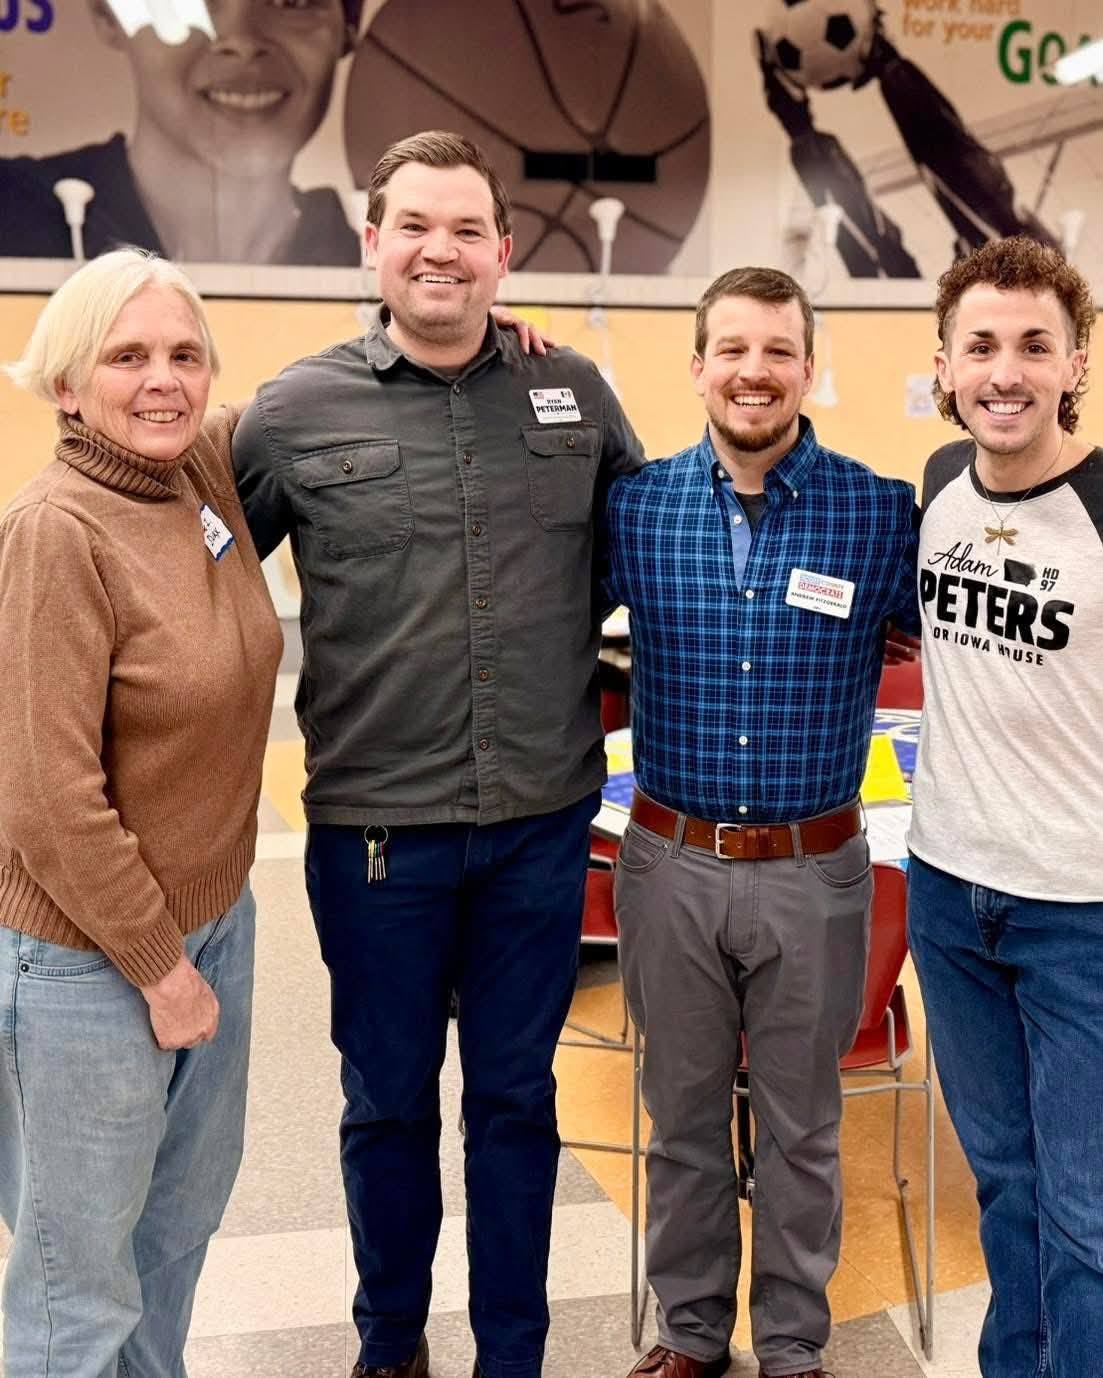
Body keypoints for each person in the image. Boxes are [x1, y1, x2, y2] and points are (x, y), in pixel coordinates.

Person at [231, 129, 644, 1378]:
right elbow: (190, 581)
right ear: (371, 243)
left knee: (515, 1102)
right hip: (375, 838)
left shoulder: (574, 395)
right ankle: (389, 1344)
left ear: (502, 253)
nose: (439, 250)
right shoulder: (290, 412)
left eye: (466, 229)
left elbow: (651, 551)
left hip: (538, 826)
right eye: (413, 225)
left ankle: (512, 1355)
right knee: (388, 1104)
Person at [606, 267, 919, 1378]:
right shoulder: (635, 509)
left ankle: (791, 1344)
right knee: (682, 1118)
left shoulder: (879, 514)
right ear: (696, 367)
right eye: (731, 349)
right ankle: (690, 1332)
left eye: (778, 350)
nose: (753, 371)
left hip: (813, 871)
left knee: (803, 1126)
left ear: (807, 368)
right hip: (669, 865)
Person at [0, 249, 283, 1374]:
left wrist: (478, 333)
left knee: (171, 1241)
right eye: (126, 357)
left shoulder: (194, 473)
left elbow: (323, 390)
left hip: (215, 922)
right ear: (68, 384)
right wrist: (163, 970)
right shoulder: (54, 531)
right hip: (91, 956)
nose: (162, 380)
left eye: (183, 354)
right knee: (77, 1286)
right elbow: (46, 801)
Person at [907, 236, 1100, 1377]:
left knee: (1085, 1209)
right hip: (947, 894)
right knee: (1005, 1184)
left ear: (1074, 364)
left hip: (1079, 913)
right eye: (979, 345)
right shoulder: (939, 483)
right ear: (943, 365)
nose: (1005, 371)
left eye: (1035, 345)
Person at [0, 0, 362, 265]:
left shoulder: (372, 257)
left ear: (348, 30)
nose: (241, 41)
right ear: (108, 13)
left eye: (292, 1)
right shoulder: (11, 210)